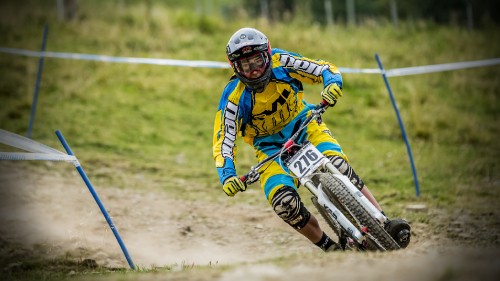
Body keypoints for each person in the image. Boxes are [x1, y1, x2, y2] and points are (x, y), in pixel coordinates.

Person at [212, 27, 410, 252]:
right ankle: (330, 248)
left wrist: (332, 83)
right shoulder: (233, 99)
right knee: (284, 204)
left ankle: (384, 221)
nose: (254, 70)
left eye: (257, 61)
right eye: (245, 66)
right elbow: (224, 141)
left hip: (306, 126)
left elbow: (321, 68)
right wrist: (227, 176)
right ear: (235, 68)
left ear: (267, 55)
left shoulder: (282, 61)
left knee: (338, 166)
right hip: (270, 150)